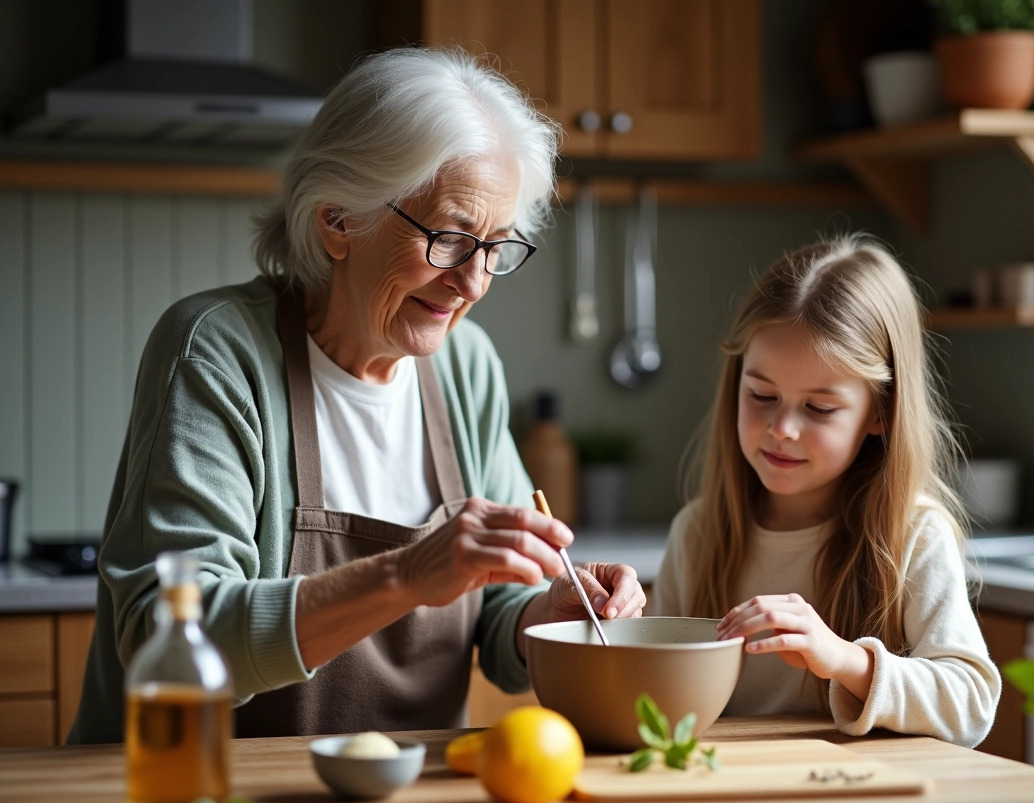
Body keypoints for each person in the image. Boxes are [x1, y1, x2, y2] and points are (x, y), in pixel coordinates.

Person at [70, 47, 645, 743]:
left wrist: (550, 610)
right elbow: (169, 637)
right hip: (201, 794)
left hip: (403, 802)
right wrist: (406, 575)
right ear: (337, 220)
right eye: (451, 239)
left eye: (496, 247)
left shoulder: (466, 367)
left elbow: (498, 617)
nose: (474, 283)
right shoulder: (216, 352)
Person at [649, 235, 1000, 748]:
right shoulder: (699, 533)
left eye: (819, 408)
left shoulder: (913, 537)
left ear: (880, 413)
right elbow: (659, 702)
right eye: (762, 395)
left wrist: (844, 660)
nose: (783, 428)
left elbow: (970, 703)